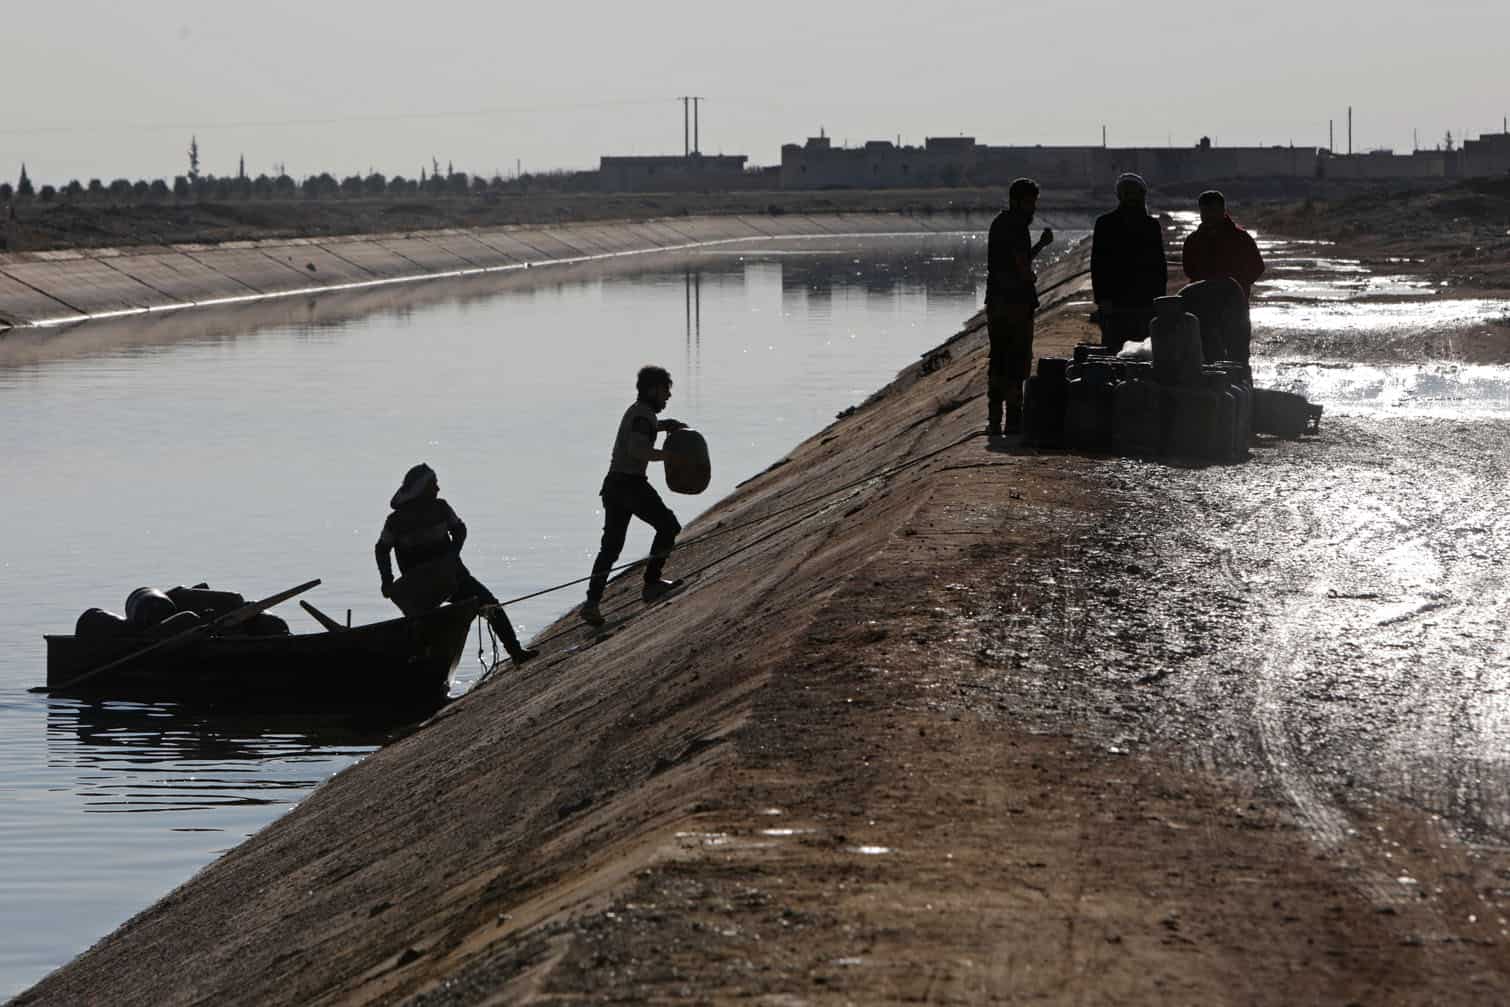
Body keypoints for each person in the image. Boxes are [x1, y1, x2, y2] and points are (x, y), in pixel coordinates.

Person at [375, 463, 537, 665]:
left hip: (453, 577)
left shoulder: (441, 508)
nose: (437, 488)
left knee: (490, 604)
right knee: (420, 628)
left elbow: (460, 529)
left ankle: (515, 652)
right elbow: (382, 549)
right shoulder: (396, 521)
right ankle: (422, 665)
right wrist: (387, 580)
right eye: (433, 485)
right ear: (421, 490)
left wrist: (453, 554)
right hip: (419, 586)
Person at [580, 366, 687, 627]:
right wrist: (670, 456)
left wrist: (664, 426)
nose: (668, 396)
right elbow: (638, 449)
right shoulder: (643, 416)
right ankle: (652, 583)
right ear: (652, 390)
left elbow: (643, 430)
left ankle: (592, 603)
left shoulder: (640, 413)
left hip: (613, 485)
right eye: (665, 391)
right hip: (631, 486)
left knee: (610, 548)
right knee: (669, 526)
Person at [985, 177, 1054, 436]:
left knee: (999, 358)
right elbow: (1021, 264)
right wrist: (1030, 277)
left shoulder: (1001, 223)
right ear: (1016, 201)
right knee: (1016, 359)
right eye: (1029, 202)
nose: (1033, 208)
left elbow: (1019, 258)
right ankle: (1013, 420)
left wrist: (1040, 245)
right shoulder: (1015, 226)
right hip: (1014, 303)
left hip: (997, 302)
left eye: (1034, 202)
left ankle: (995, 420)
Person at [1091, 173, 1168, 352]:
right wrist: (1102, 299)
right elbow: (1098, 265)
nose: (1131, 196)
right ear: (1120, 195)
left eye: (1133, 192)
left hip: (1143, 301)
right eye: (1127, 192)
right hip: (1117, 302)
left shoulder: (1150, 225)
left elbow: (1159, 265)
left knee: (1140, 351)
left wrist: (1159, 300)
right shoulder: (1105, 223)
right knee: (1117, 350)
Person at [1182, 190, 1265, 298]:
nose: (1208, 215)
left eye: (1213, 210)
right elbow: (1189, 270)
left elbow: (1257, 267)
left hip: (1233, 302)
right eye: (1205, 211)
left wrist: (1238, 286)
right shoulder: (1193, 240)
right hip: (1203, 300)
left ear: (1223, 210)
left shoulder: (1241, 237)